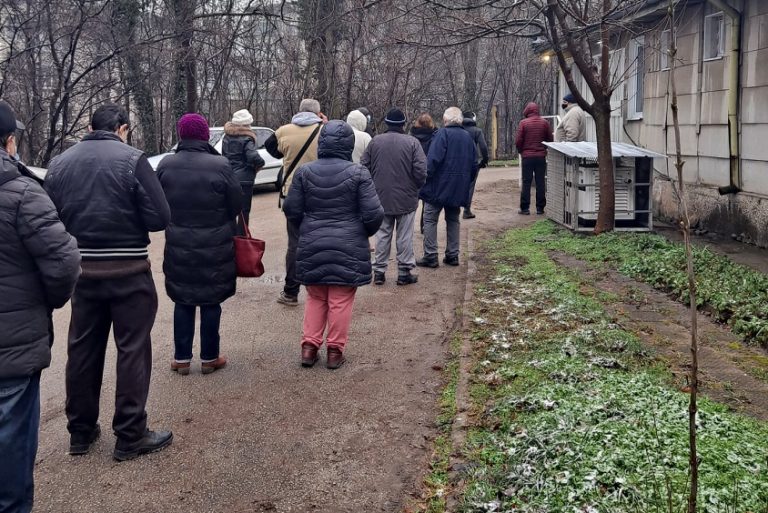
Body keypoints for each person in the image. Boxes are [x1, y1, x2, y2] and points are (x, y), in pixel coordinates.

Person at [45, 103, 173, 462]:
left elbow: (50, 217)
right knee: (132, 348)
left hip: (82, 272)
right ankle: (130, 435)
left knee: (83, 349)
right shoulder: (133, 159)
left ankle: (80, 432)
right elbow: (160, 216)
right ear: (123, 128)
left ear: (89, 126)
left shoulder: (59, 163)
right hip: (129, 271)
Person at [0, 100, 80, 513]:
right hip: (10, 348)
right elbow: (63, 262)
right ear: (10, 141)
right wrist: (43, 304)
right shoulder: (22, 193)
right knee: (10, 445)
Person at [283, 120, 383, 369]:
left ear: (322, 143)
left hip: (312, 242)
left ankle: (309, 348)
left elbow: (292, 210)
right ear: (348, 144)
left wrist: (305, 229)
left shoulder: (305, 172)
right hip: (349, 244)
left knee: (316, 296)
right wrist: (361, 232)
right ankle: (335, 351)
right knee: (340, 299)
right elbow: (374, 214)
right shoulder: (359, 173)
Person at [157, 114, 241, 376]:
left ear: (181, 135)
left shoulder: (166, 165)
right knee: (211, 300)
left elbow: (156, 203)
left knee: (182, 300)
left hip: (178, 243)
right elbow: (236, 204)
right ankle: (209, 357)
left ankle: (181, 358)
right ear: (205, 135)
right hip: (215, 245)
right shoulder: (220, 165)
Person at [265, 99, 324, 306]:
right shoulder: (325, 130)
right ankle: (319, 290)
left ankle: (291, 292)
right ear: (319, 114)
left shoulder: (283, 131)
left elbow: (271, 149)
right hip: (321, 193)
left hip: (293, 193)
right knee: (321, 240)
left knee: (295, 243)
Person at [361, 108, 426, 286]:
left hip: (380, 196)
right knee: (404, 236)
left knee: (382, 234)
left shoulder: (375, 142)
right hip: (406, 197)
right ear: (403, 124)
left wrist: (372, 186)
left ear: (387, 123)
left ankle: (379, 272)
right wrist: (416, 187)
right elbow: (421, 171)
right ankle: (404, 272)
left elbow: (363, 166)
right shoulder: (412, 143)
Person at [416, 107, 476, 268]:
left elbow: (432, 161)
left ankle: (430, 255)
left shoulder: (442, 134)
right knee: (453, 220)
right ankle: (452, 255)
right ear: (460, 120)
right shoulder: (467, 137)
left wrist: (424, 179)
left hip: (438, 187)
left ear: (445, 120)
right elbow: (473, 165)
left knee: (429, 219)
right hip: (458, 188)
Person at [222, 109, 264, 236]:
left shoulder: (226, 136)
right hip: (244, 180)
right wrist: (257, 166)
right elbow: (254, 157)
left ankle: (230, 236)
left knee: (229, 209)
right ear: (246, 124)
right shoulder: (247, 138)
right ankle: (242, 239)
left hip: (228, 177)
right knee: (243, 211)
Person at [515, 102, 552, 216]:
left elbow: (518, 140)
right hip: (540, 157)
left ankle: (525, 208)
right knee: (540, 181)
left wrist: (521, 151)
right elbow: (549, 139)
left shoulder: (523, 123)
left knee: (526, 182)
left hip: (527, 157)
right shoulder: (545, 123)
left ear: (527, 110)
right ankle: (540, 208)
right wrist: (543, 148)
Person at [461, 111, 489, 219]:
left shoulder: (458, 129)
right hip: (473, 162)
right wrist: (484, 160)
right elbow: (483, 147)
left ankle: (454, 208)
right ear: (474, 119)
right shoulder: (477, 131)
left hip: (457, 162)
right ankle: (466, 210)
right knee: (470, 185)